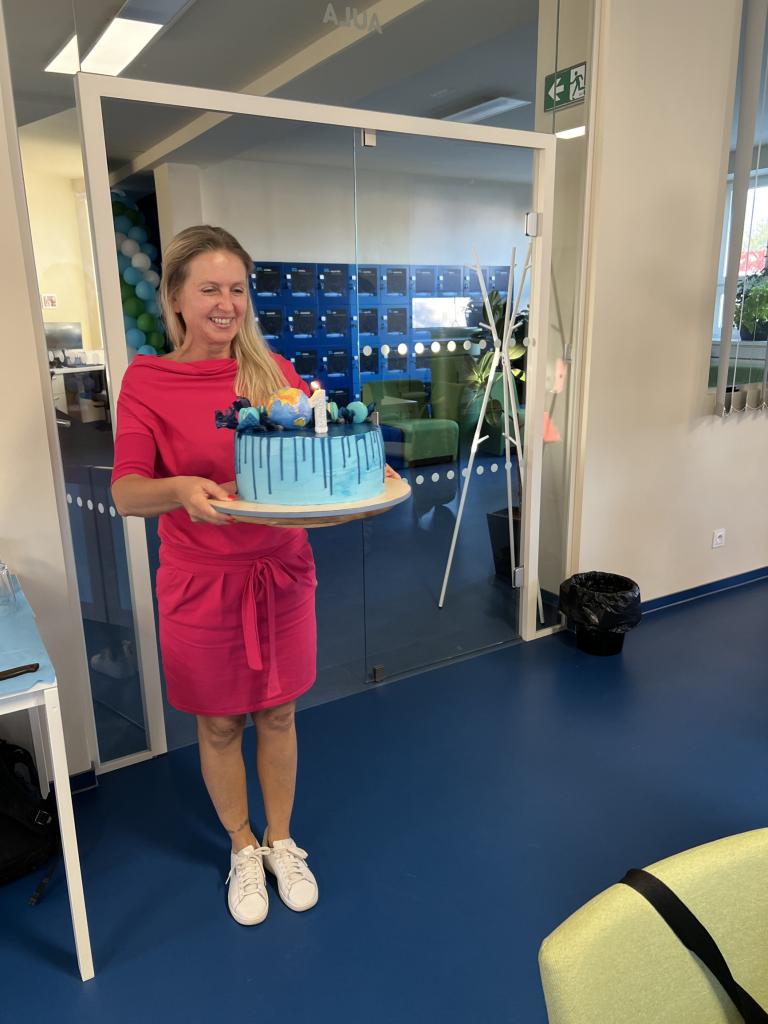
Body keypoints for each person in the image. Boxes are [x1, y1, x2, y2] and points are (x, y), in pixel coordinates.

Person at [112, 224, 398, 926]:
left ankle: (281, 841)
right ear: (176, 298)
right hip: (200, 582)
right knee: (218, 725)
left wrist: (361, 477)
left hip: (282, 573)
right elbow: (126, 491)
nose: (226, 303)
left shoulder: (276, 374)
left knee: (279, 712)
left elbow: (313, 471)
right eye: (209, 288)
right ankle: (242, 846)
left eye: (237, 289)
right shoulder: (148, 380)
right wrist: (180, 489)